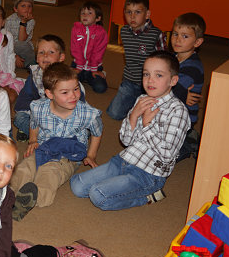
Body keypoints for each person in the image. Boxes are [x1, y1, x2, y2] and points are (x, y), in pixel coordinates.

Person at [71, 51, 191, 210]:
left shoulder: (177, 111)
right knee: (77, 185)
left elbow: (167, 154)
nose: (150, 80)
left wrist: (147, 125)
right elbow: (126, 140)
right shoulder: (141, 99)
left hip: (148, 174)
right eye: (146, 74)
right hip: (124, 160)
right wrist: (133, 117)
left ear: (173, 80)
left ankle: (147, 197)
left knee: (98, 195)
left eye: (159, 75)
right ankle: (118, 185)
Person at [10, 63, 103, 221]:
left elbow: (97, 132)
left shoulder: (87, 113)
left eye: (76, 89)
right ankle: (9, 193)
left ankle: (34, 198)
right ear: (49, 94)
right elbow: (34, 123)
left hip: (68, 154)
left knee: (50, 173)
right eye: (65, 92)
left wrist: (91, 155)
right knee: (25, 167)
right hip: (43, 147)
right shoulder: (39, 108)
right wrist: (33, 140)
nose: (73, 96)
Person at [106, 0, 165, 120]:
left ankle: (137, 104)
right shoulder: (124, 31)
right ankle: (133, 103)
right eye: (128, 12)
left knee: (152, 118)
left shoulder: (156, 34)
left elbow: (164, 61)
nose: (132, 16)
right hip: (129, 80)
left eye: (137, 12)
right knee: (114, 114)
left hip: (149, 83)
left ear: (147, 14)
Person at [13, 35, 83, 142]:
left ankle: (48, 138)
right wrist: (36, 112)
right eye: (41, 52)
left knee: (83, 129)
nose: (45, 55)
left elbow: (79, 106)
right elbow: (25, 97)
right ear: (37, 58)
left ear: (61, 57)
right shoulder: (34, 75)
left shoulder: (68, 78)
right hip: (41, 116)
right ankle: (51, 139)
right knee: (19, 118)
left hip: (64, 116)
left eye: (51, 52)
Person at [169, 13, 205, 162]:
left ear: (197, 42)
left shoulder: (193, 67)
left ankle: (189, 144)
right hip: (170, 109)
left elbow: (170, 91)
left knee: (167, 156)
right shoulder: (173, 57)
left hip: (184, 118)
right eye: (175, 34)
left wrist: (181, 93)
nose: (177, 39)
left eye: (185, 36)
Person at [70, 1, 108, 93]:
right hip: (78, 65)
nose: (85, 15)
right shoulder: (76, 29)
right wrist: (78, 67)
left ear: (98, 18)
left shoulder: (101, 33)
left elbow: (98, 52)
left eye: (89, 13)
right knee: (66, 83)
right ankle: (80, 77)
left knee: (100, 88)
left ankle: (100, 74)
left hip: (94, 67)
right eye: (83, 13)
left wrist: (94, 70)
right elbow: (75, 48)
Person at [4, 0, 36, 69]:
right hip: (10, 46)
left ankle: (31, 65)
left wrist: (23, 22)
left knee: (24, 46)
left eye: (29, 6)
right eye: (23, 6)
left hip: (24, 47)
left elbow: (22, 40)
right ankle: (15, 61)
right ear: (15, 9)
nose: (27, 9)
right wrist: (14, 55)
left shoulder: (31, 21)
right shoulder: (8, 20)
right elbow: (6, 41)